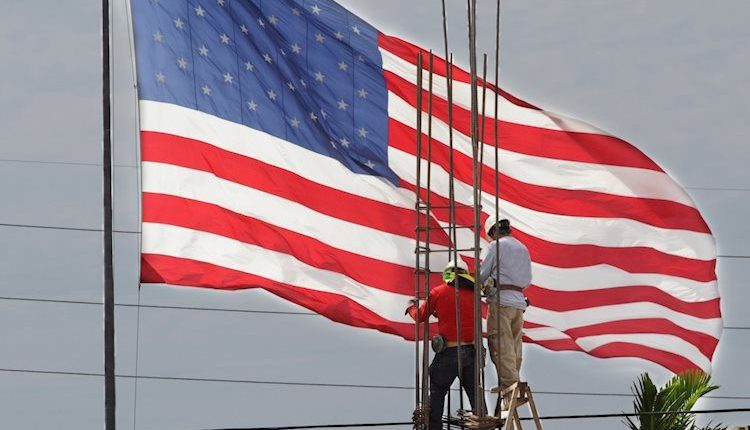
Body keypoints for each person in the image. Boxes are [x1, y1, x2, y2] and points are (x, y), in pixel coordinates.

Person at [406, 260, 479, 430]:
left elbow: (420, 317)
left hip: (449, 352)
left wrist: (411, 308)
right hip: (471, 351)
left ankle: (434, 427)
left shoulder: (438, 291)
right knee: (476, 394)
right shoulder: (474, 293)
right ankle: (483, 425)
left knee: (438, 390)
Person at [478, 218, 532, 401]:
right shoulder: (522, 248)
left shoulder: (496, 246)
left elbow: (482, 274)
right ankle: (513, 380)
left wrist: (472, 285)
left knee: (500, 345)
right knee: (514, 346)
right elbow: (527, 279)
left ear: (493, 232)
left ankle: (511, 387)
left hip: (501, 301)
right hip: (518, 303)